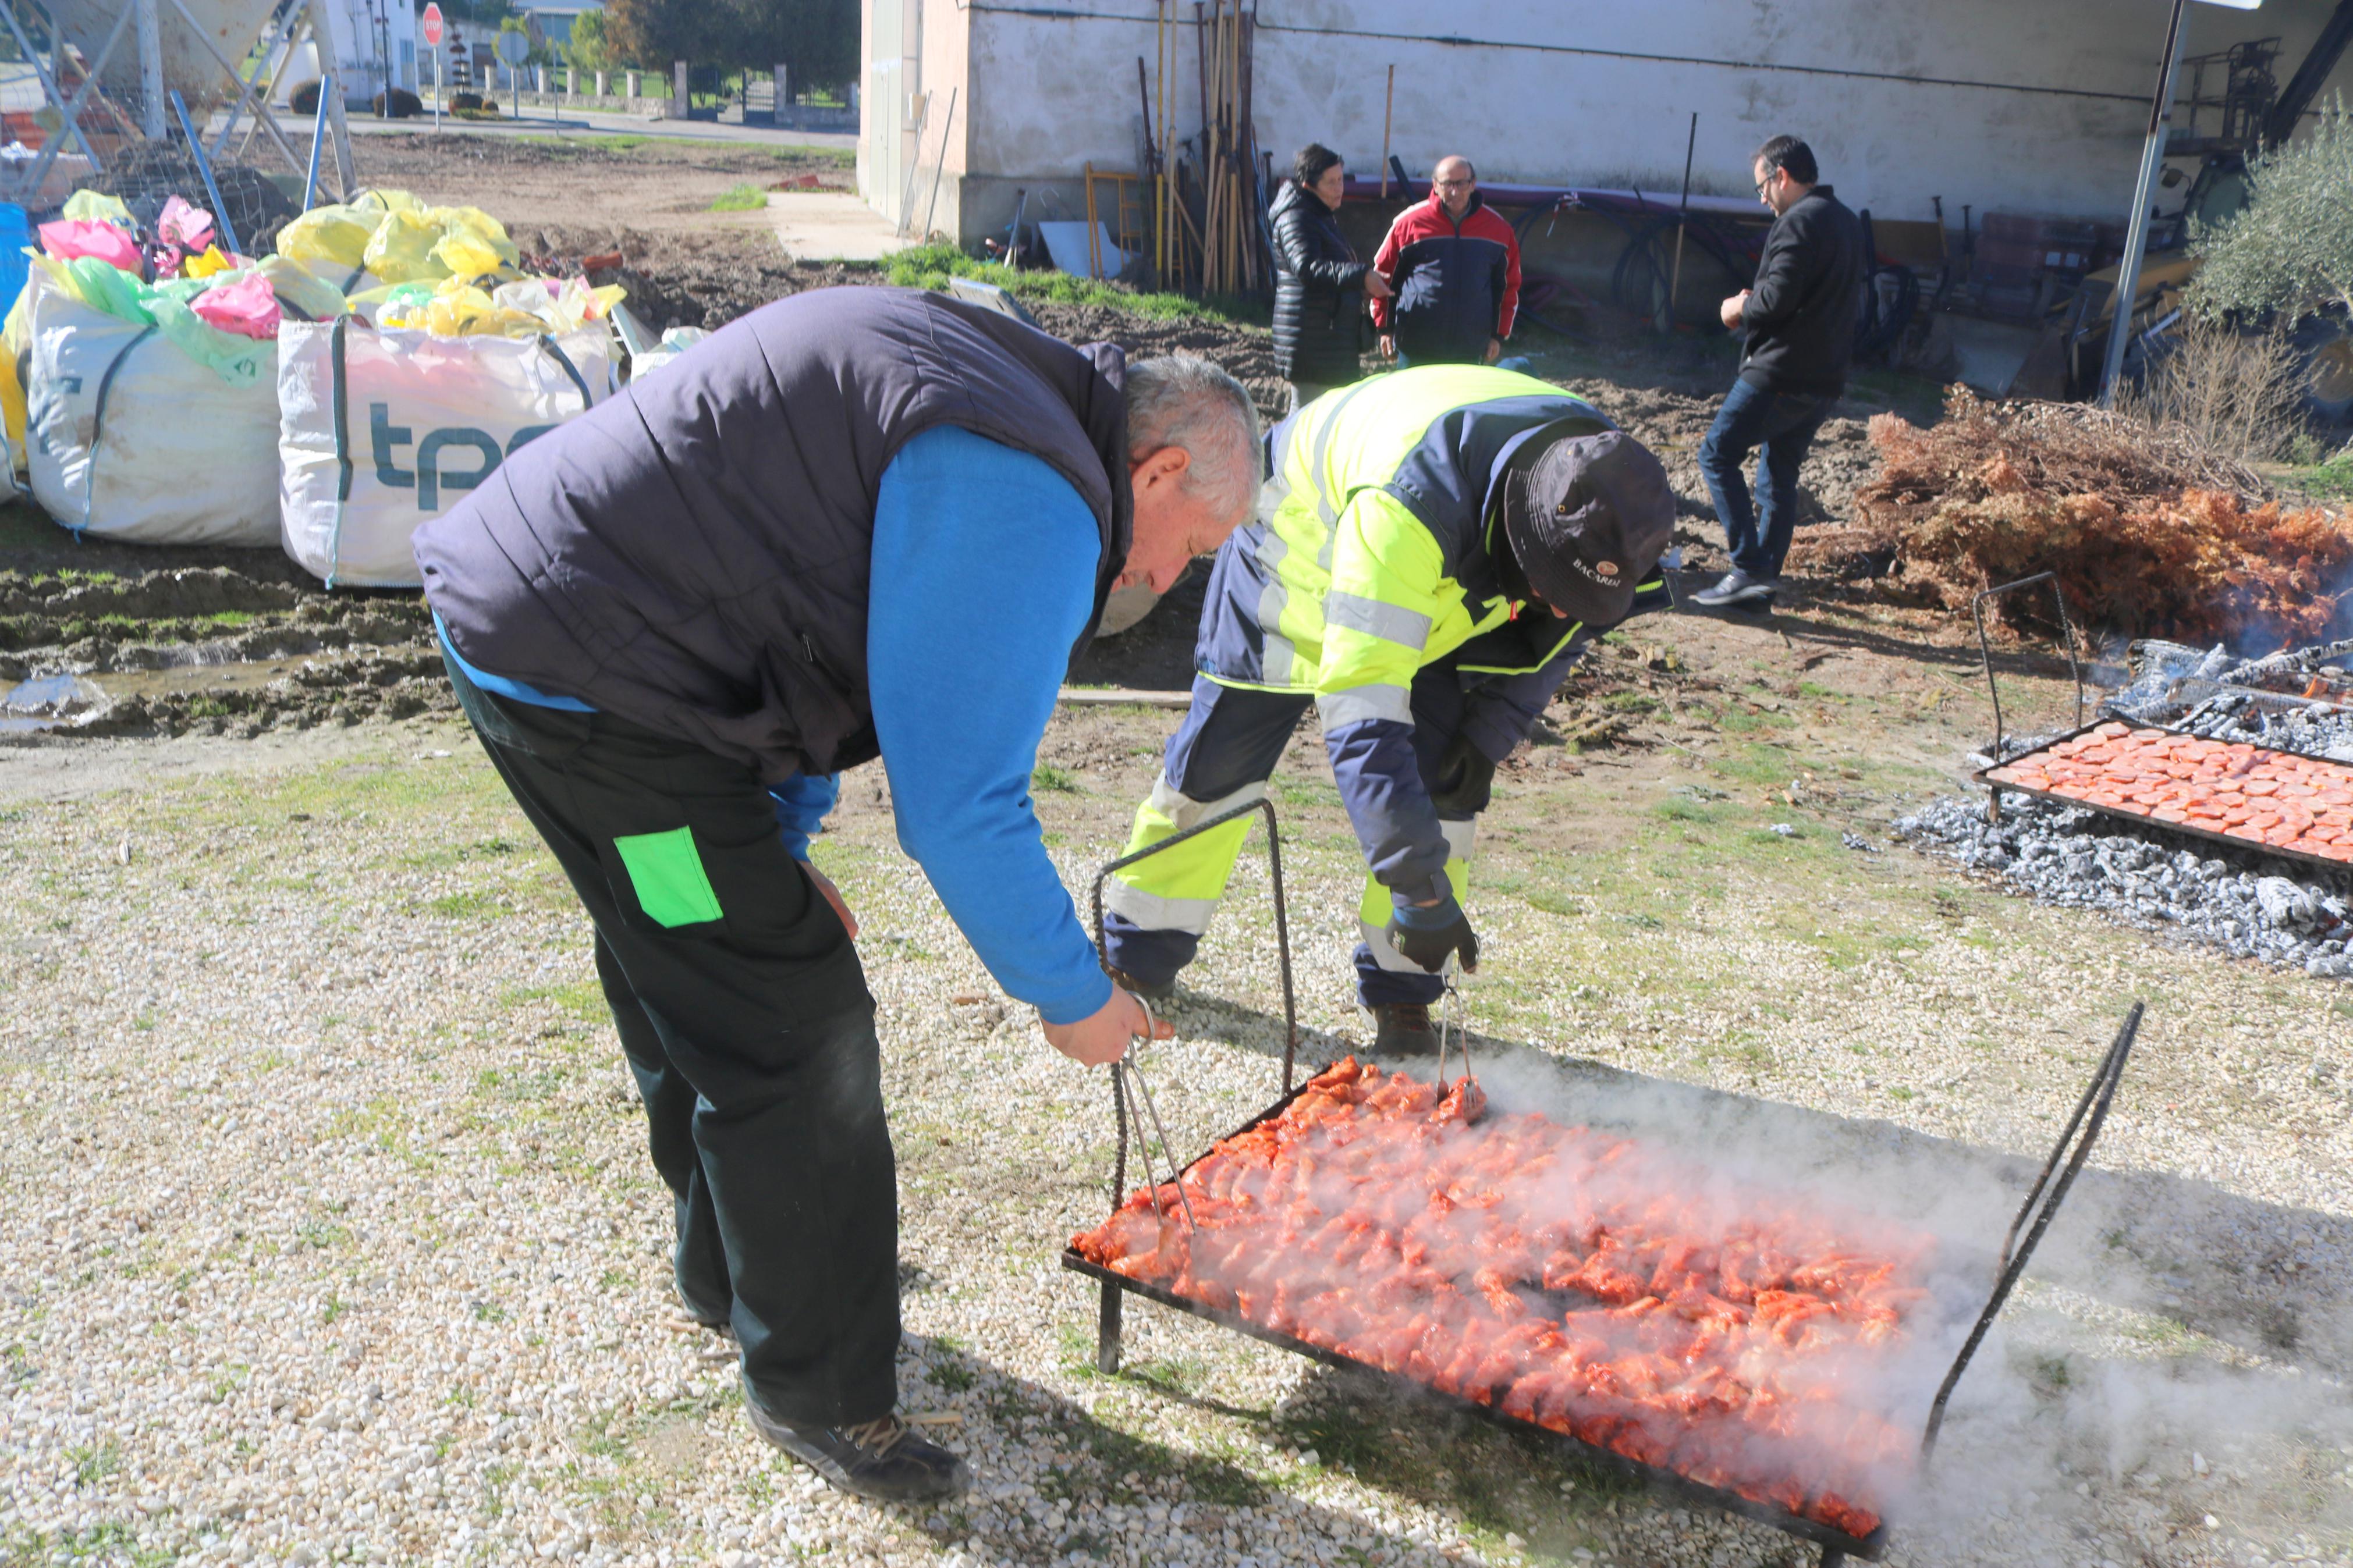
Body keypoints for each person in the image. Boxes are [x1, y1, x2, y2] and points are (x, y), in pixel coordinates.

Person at [413, 287, 1260, 1504]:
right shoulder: (1029, 491)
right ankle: (818, 1390)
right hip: (594, 680)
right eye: (1191, 545)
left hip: (541, 630)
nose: (1167, 576)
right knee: (792, 1022)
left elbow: (812, 605)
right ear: (1163, 466)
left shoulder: (1000, 383)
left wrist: (777, 834)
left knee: (689, 943)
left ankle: (738, 1275)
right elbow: (961, 804)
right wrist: (1072, 994)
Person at [1098, 367, 1673, 1055]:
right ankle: (1135, 949)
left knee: (1443, 783)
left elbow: (1557, 639)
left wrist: (1486, 736)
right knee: (1219, 766)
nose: (1557, 608)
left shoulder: (1606, 509)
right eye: (1550, 589)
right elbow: (1361, 710)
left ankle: (1405, 994)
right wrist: (1417, 887)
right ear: (1524, 532)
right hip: (1297, 554)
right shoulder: (1409, 506)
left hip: (1439, 589)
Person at [1691, 134, 1865, 610]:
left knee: (1715, 455)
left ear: (1781, 176)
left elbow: (1776, 300)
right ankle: (1759, 588)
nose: (1763, 199)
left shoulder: (1797, 222)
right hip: (1824, 377)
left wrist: (1737, 307)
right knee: (1777, 477)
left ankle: (1747, 566)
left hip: (1779, 372)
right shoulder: (1846, 222)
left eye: (1761, 188)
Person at [1270, 143, 1392, 412]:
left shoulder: (1320, 215)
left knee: (1327, 421)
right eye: (1331, 183)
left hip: (1328, 340)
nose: (1339, 189)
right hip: (1312, 342)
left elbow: (1329, 272)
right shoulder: (1296, 218)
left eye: (1341, 180)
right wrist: (1360, 277)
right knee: (1303, 421)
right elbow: (1308, 268)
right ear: (1308, 185)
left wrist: (1358, 286)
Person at [1371, 155, 1522, 368]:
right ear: (1435, 185)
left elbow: (1508, 287)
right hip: (1416, 346)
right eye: (1447, 184)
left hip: (1469, 348)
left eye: (1462, 183)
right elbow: (1383, 278)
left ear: (1473, 184)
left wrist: (1498, 335)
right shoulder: (1408, 224)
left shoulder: (1498, 230)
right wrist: (1385, 330)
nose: (1455, 191)